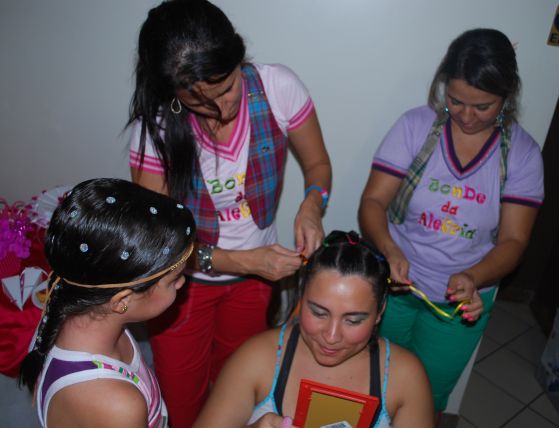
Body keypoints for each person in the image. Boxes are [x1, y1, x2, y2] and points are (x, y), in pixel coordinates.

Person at [127, 1, 332, 426]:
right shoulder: (158, 127)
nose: (222, 109)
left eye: (227, 88)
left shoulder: (277, 87)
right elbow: (159, 242)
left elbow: (317, 166)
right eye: (200, 102)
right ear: (173, 92)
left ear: (238, 57)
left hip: (253, 285)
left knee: (237, 392)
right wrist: (244, 262)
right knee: (182, 402)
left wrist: (312, 205)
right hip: (178, 286)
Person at [359, 28, 544, 413]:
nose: (466, 116)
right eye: (456, 101)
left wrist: (474, 276)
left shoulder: (522, 155)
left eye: (483, 106)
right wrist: (390, 250)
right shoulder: (416, 127)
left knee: (424, 399)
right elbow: (373, 202)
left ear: (507, 97)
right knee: (370, 381)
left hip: (461, 306)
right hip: (395, 288)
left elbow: (514, 241)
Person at [193, 230, 434, 428]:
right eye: (319, 313)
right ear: (301, 297)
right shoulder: (257, 358)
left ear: (380, 311)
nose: (331, 336)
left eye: (353, 320)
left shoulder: (405, 377)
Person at [18, 178, 196, 428]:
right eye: (174, 280)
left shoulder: (72, 311)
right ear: (122, 300)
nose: (182, 283)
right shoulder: (117, 405)